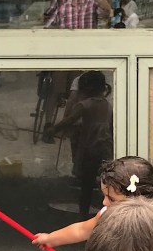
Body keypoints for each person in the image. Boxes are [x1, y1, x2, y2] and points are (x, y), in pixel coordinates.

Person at [44, 71, 113, 218]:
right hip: (105, 150)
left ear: (85, 89)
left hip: (90, 149)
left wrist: (53, 129)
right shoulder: (107, 105)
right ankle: (109, 214)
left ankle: (83, 216)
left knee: (86, 186)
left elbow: (68, 120)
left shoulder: (83, 105)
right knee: (108, 185)